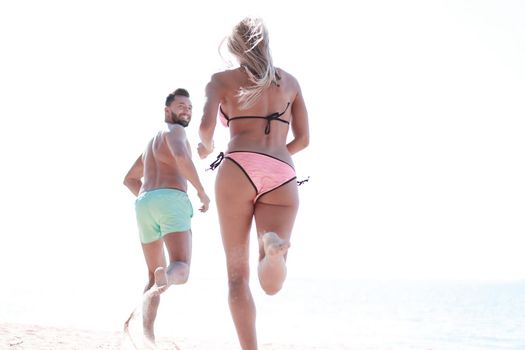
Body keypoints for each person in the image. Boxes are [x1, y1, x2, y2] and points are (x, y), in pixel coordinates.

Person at [198, 17, 309, 350]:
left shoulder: (221, 80)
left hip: (237, 169)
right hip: (282, 174)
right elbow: (303, 139)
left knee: (236, 277)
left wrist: (206, 148)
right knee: (272, 283)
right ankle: (273, 254)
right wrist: (273, 159)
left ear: (234, 47)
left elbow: (205, 131)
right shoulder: (290, 82)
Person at [123, 88, 210, 346]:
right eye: (181, 105)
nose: (186, 110)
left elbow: (129, 179)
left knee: (153, 277)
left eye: (190, 107)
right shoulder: (176, 132)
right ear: (167, 110)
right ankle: (167, 278)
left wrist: (151, 199)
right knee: (180, 267)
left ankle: (147, 339)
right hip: (171, 199)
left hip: (144, 202)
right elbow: (182, 158)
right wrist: (201, 191)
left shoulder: (151, 144)